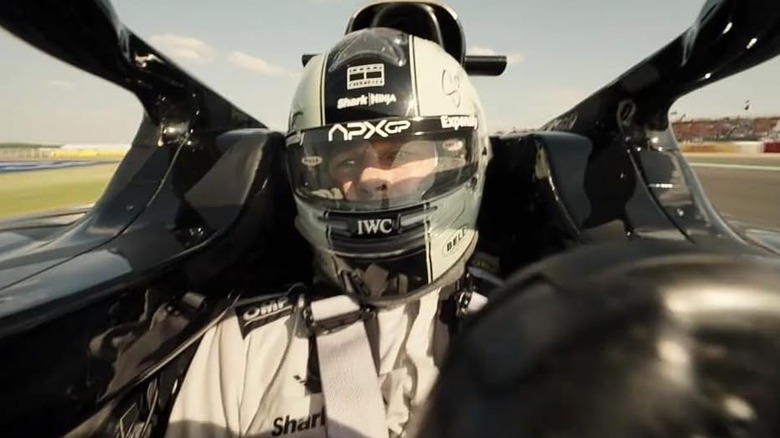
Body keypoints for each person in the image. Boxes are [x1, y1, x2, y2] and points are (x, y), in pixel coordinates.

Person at [164, 26, 499, 438]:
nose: (373, 177)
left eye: (403, 152)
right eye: (346, 160)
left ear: (462, 158)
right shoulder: (242, 346)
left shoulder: (530, 331)